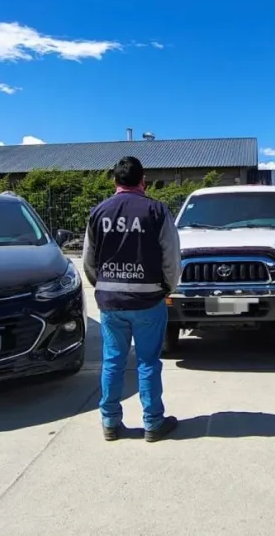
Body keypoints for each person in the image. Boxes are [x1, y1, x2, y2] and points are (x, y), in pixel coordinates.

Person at [82, 156, 182, 442]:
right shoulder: (157, 211)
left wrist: (102, 286)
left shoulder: (98, 212)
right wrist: (167, 287)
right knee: (148, 361)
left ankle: (110, 423)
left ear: (115, 182)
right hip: (149, 300)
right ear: (143, 181)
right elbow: (171, 257)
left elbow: (89, 260)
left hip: (111, 303)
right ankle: (153, 423)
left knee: (113, 361)